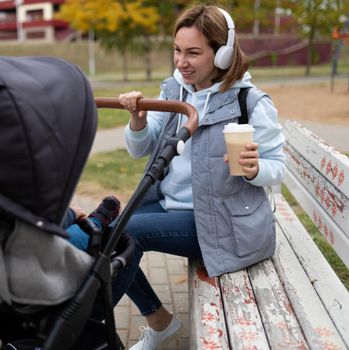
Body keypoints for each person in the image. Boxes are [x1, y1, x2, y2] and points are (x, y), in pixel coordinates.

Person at [114, 5, 286, 350]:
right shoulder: (174, 92)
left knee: (127, 233)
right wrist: (137, 121)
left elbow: (278, 166)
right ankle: (158, 320)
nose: (181, 62)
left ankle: (82, 324)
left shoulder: (247, 102)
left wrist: (255, 170)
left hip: (223, 224)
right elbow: (140, 149)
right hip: (173, 207)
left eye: (193, 52)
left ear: (222, 53)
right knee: (110, 233)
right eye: (177, 51)